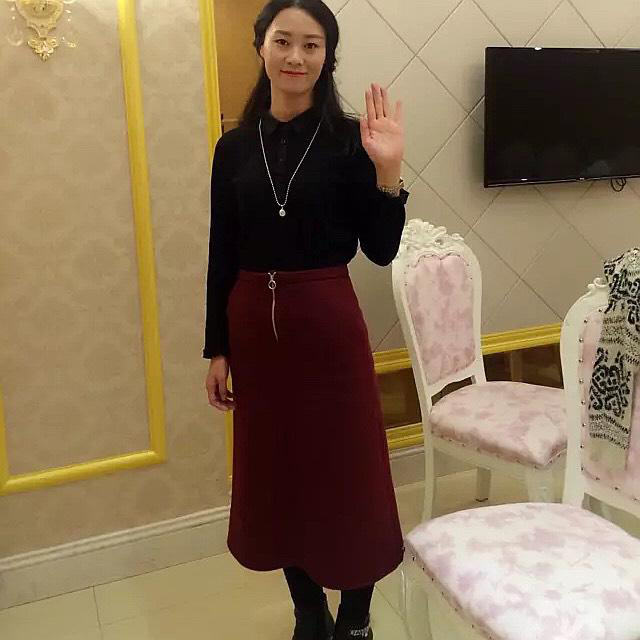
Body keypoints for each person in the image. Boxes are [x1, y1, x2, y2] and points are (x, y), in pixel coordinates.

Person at [203, 1, 410, 638]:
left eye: (312, 45)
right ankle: (309, 611)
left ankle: (356, 617)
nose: (296, 56)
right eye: (283, 41)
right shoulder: (233, 148)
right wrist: (216, 348)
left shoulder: (350, 140)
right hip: (253, 329)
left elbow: (381, 249)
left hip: (327, 326)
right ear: (261, 46)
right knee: (278, 473)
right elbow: (222, 250)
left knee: (348, 472)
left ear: (327, 56)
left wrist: (389, 172)